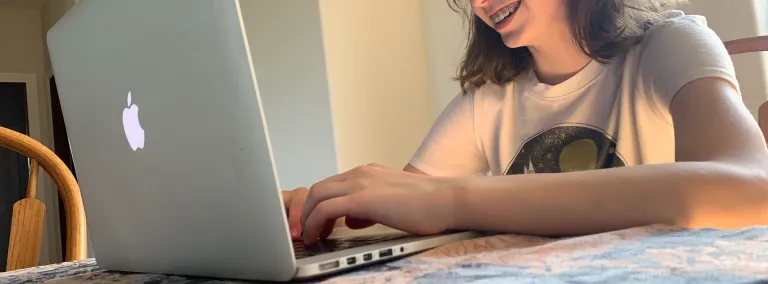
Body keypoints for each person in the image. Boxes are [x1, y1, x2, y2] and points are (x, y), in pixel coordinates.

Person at [283, 0, 768, 245]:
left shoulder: (669, 44)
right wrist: (323, 209)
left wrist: (454, 199)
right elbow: (406, 205)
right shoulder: (489, 100)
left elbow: (752, 191)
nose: (478, 2)